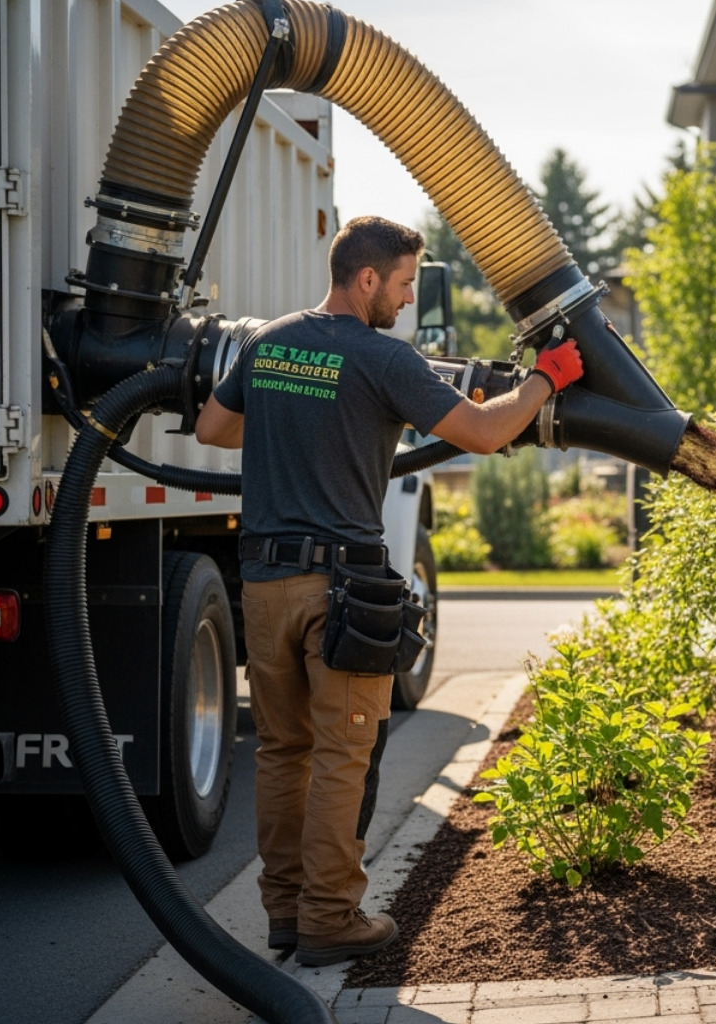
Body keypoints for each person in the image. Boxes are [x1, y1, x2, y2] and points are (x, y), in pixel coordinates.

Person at [195, 215, 583, 966]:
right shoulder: (381, 357)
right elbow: (480, 432)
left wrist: (294, 420)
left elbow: (213, 427)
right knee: (344, 752)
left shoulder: (268, 342)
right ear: (366, 279)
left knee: (281, 751)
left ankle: (284, 914)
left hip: (266, 583)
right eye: (404, 283)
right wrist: (546, 378)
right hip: (341, 587)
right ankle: (330, 918)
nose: (408, 299)